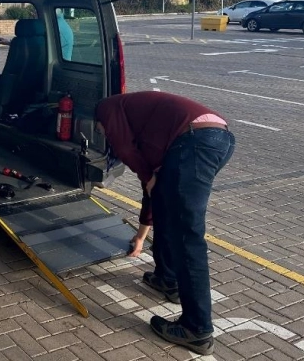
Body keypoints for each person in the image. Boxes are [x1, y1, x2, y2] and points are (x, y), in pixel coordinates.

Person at [95, 91, 235, 356]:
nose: (104, 135)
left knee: (187, 236)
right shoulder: (153, 136)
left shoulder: (106, 108)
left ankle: (197, 330)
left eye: (102, 131)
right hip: (217, 137)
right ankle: (166, 279)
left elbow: (124, 148)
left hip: (197, 141)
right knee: (167, 208)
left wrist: (147, 175)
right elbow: (152, 193)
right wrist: (140, 235)